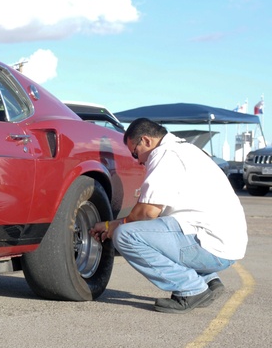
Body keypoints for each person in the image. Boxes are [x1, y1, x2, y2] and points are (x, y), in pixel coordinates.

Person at [91, 118, 247, 313]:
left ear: (146, 141)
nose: (138, 160)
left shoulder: (164, 154)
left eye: (135, 152)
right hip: (224, 245)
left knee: (126, 235)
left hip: (211, 246)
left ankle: (191, 289)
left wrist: (115, 225)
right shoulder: (187, 150)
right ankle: (209, 280)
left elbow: (148, 212)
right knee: (148, 230)